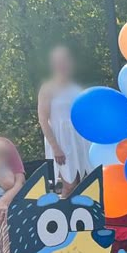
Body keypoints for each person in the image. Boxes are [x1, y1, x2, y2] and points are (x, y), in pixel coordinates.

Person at [37, 44, 90, 197]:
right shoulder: (47, 88)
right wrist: (55, 148)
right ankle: (64, 218)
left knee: (84, 184)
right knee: (69, 185)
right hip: (60, 141)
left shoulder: (76, 88)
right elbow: (43, 119)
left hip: (80, 140)